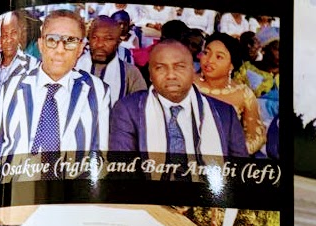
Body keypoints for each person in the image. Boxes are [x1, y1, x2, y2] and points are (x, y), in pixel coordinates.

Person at [0, 9, 111, 162]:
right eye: (52, 40)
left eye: (70, 41)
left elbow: (99, 159)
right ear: (41, 45)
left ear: (80, 49)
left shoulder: (98, 91)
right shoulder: (11, 87)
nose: (60, 50)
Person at [109, 39, 248, 162]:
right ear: (150, 75)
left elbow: (239, 172)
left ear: (192, 70)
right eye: (160, 68)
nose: (171, 75)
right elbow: (123, 170)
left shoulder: (225, 113)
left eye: (179, 67)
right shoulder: (128, 109)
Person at [195, 33, 267, 155]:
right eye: (206, 53)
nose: (209, 60)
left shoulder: (243, 93)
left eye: (219, 57)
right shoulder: (187, 84)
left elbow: (256, 136)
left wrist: (230, 152)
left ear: (231, 65)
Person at [0, 12, 38, 134]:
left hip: (12, 136)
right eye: (5, 35)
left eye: (13, 33)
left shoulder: (31, 66)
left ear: (20, 34)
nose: (8, 39)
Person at [79, 16, 147, 104]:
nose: (100, 44)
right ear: (89, 39)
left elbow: (140, 108)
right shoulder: (73, 66)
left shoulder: (130, 73)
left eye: (108, 39)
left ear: (118, 42)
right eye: (95, 38)